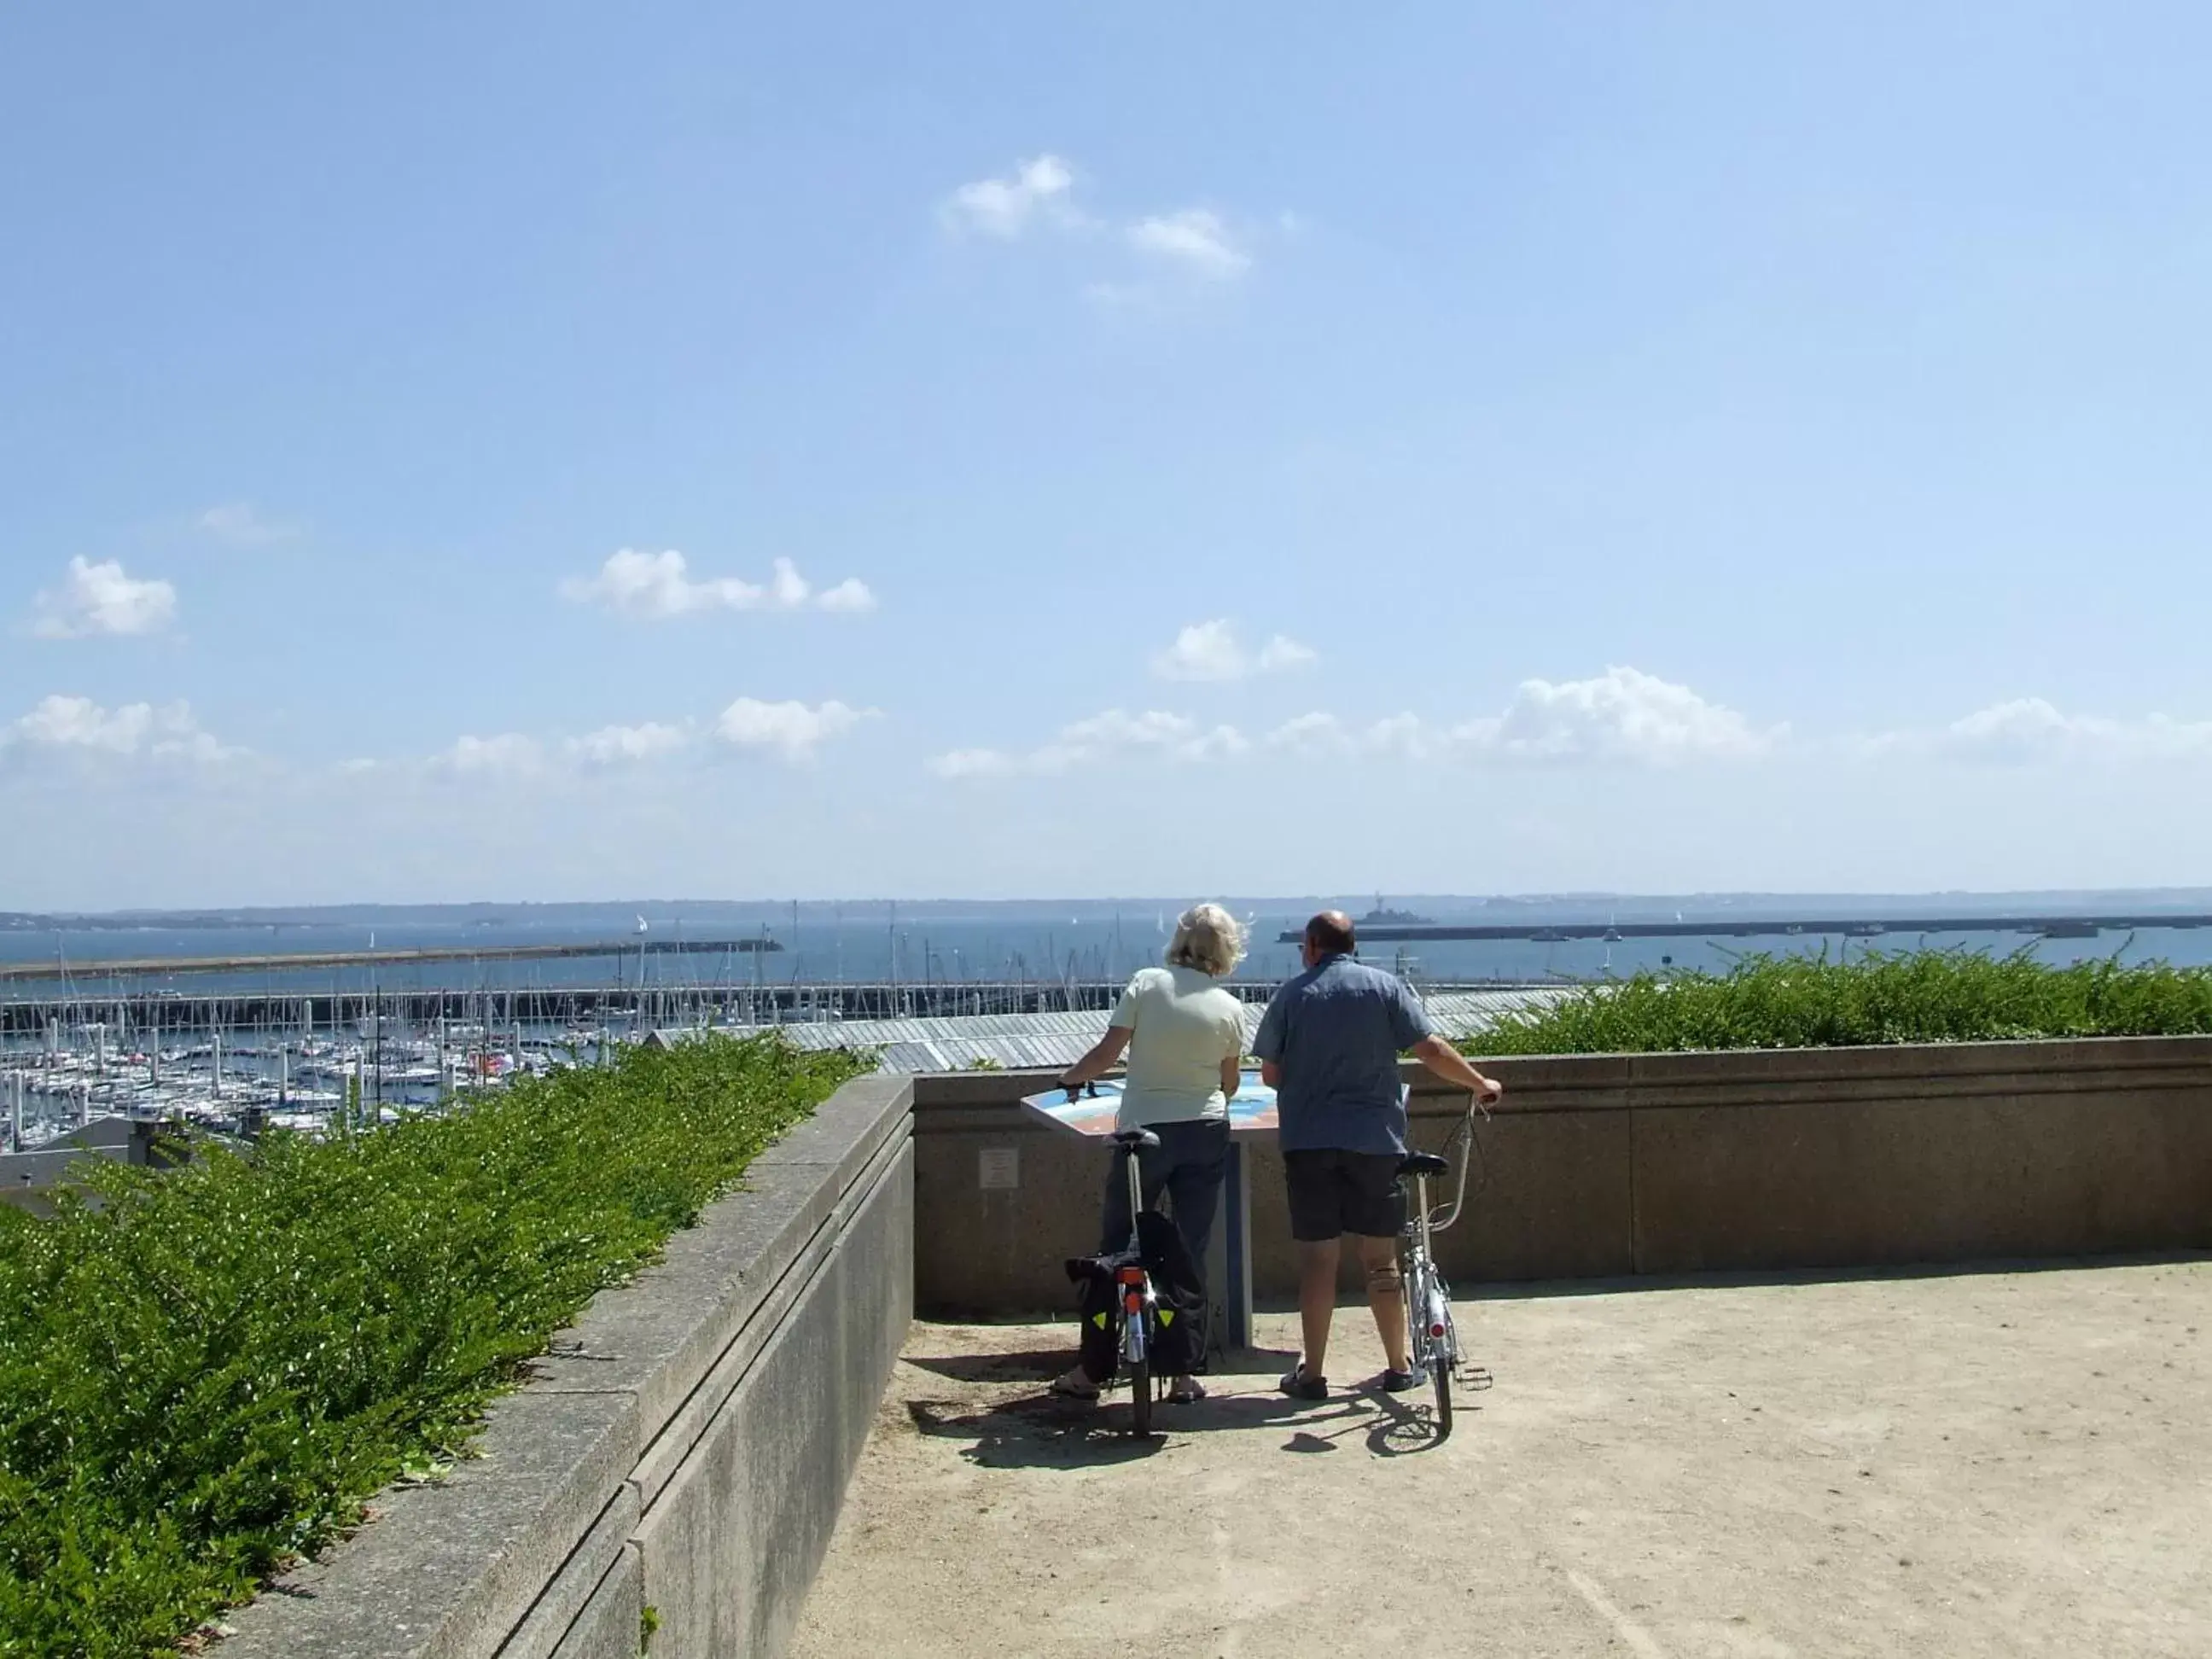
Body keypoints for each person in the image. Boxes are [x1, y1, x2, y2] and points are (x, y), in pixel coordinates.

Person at [1253, 909, 1503, 1400]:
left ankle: (1314, 1374)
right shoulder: (1386, 988)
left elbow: (1269, 1075)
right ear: (1354, 945)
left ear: (1311, 945)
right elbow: (1429, 1048)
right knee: (1381, 1262)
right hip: (1375, 1142)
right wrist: (1479, 1083)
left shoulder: (1292, 995)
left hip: (1309, 1144)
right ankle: (1396, 1365)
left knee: (1319, 1263)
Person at [1051, 902, 1250, 1406]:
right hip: (1205, 1131)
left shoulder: (1146, 983)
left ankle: (1091, 1370)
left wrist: (1070, 1079)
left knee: (1115, 1246)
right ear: (1226, 950)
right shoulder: (1229, 1007)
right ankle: (1184, 1372)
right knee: (1189, 1253)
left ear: (1179, 942)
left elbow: (1106, 1053)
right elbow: (1229, 1082)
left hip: (1145, 1134)